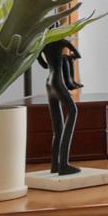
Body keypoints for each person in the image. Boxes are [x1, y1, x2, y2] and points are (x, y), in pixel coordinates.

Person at [39, 36, 84, 176]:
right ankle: (63, 164)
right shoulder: (62, 41)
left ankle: (55, 165)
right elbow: (78, 55)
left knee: (58, 128)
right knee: (73, 111)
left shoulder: (43, 44)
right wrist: (67, 56)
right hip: (58, 81)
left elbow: (45, 65)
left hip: (49, 82)